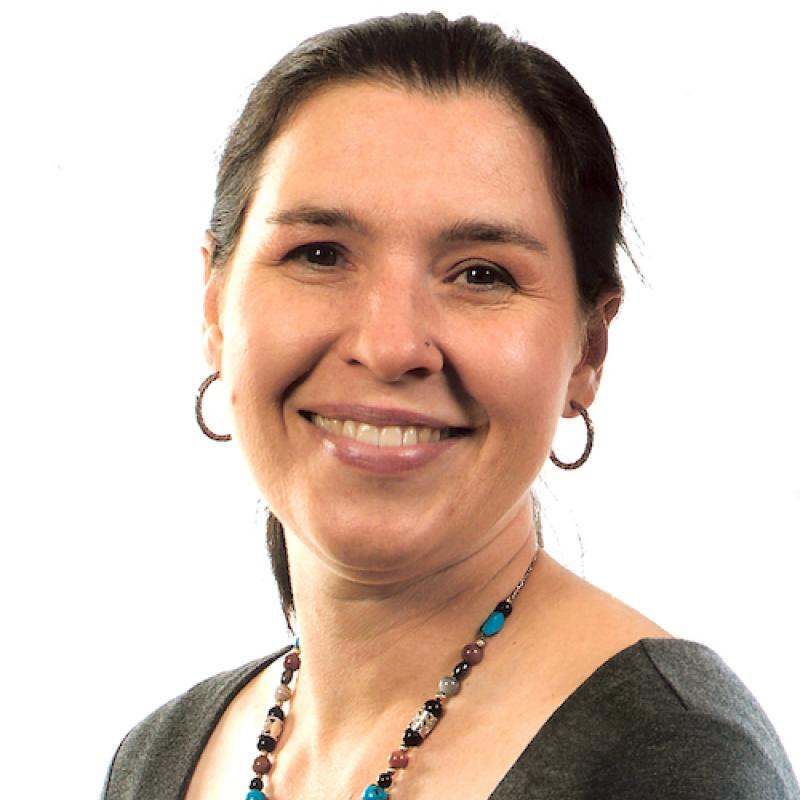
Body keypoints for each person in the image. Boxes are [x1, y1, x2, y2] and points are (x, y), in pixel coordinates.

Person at [101, 11, 799, 800]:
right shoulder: (156, 760)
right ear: (215, 306)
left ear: (588, 351)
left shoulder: (670, 759)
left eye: (481, 274)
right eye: (320, 254)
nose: (391, 344)